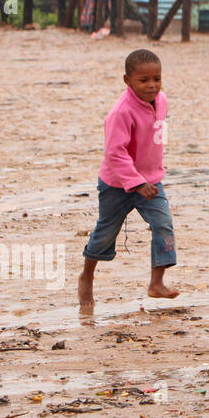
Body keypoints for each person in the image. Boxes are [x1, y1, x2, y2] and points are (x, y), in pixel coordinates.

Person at [78, 48, 179, 307]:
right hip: (117, 185)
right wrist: (135, 182)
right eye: (143, 81)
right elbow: (114, 152)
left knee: (163, 225)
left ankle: (156, 283)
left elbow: (158, 134)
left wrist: (154, 169)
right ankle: (87, 276)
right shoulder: (121, 112)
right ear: (127, 81)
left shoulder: (162, 101)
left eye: (156, 79)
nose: (151, 85)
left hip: (151, 182)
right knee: (105, 233)